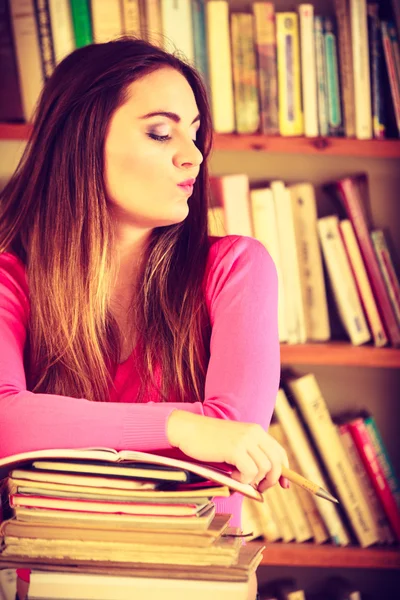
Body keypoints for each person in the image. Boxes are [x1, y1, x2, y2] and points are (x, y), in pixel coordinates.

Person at [0, 38, 288, 599]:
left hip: (189, 584)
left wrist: (56, 425)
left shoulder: (237, 268)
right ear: (81, 142)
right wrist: (182, 427)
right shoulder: (10, 275)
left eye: (195, 132)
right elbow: (4, 421)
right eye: (162, 133)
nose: (194, 155)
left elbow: (229, 456)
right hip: (42, 581)